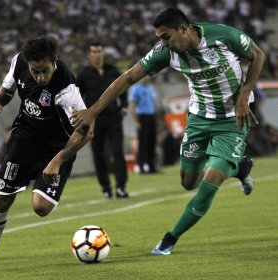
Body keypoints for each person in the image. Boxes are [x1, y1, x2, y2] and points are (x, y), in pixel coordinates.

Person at [72, 7, 265, 255]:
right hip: (198, 120)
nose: (163, 43)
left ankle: (169, 239)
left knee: (208, 185)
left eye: (166, 37)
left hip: (232, 121)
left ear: (184, 29)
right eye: (159, 38)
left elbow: (257, 55)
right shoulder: (165, 52)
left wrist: (245, 93)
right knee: (188, 182)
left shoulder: (223, 36)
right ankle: (240, 168)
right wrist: (92, 112)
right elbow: (129, 77)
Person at [0, 34, 92, 269]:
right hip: (24, 141)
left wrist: (58, 160)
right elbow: (8, 88)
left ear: (54, 61)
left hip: (55, 148)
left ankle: (49, 180)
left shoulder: (66, 87)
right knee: (1, 198)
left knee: (41, 208)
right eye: (35, 72)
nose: (40, 77)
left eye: (45, 71)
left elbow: (86, 131)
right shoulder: (20, 61)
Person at [76, 42, 129, 199]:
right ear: (89, 55)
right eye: (94, 52)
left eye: (99, 51)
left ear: (103, 53)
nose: (97, 54)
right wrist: (83, 114)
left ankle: (121, 187)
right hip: (95, 120)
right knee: (99, 154)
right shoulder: (84, 75)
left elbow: (124, 87)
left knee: (118, 152)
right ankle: (106, 188)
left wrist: (124, 106)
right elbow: (77, 95)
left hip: (114, 117)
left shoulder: (113, 71)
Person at [129, 76, 160, 173]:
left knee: (152, 142)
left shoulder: (151, 88)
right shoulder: (135, 89)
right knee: (143, 143)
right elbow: (132, 106)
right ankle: (141, 167)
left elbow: (154, 103)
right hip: (142, 117)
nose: (146, 78)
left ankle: (152, 167)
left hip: (151, 117)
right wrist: (136, 121)